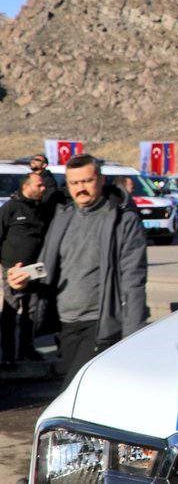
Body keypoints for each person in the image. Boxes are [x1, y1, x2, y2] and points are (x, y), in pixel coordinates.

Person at [7, 154, 148, 385]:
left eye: (87, 181)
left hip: (100, 325)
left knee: (72, 390)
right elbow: (46, 266)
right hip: (65, 325)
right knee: (79, 394)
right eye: (74, 183)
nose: (80, 188)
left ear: (101, 180)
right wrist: (24, 279)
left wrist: (133, 339)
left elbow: (134, 281)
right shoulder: (64, 216)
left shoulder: (123, 220)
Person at [0, 173, 51, 365]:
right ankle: (8, 356)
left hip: (35, 269)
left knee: (31, 311)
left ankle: (26, 350)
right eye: (39, 185)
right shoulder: (10, 208)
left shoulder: (40, 208)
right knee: (11, 310)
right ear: (26, 186)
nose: (43, 188)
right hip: (12, 270)